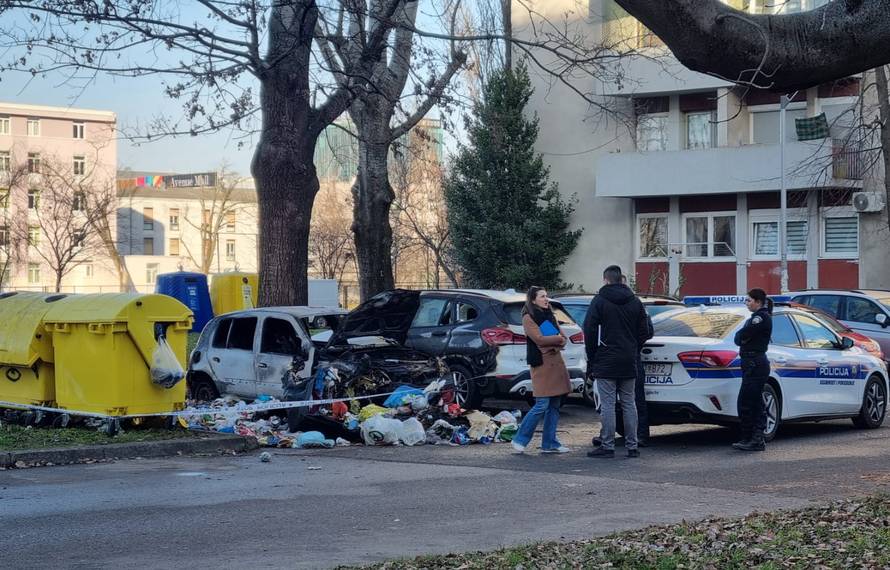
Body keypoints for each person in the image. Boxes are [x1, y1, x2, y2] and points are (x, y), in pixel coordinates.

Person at [583, 265, 652, 458]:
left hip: (606, 358)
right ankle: (632, 445)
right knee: (629, 403)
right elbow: (645, 330)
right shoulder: (635, 301)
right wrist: (633, 347)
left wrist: (593, 356)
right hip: (629, 359)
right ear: (621, 279)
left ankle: (608, 445)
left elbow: (589, 329)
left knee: (608, 404)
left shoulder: (599, 300)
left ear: (605, 280)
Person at [512, 286, 572, 454]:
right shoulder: (529, 317)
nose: (546, 299)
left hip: (556, 363)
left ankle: (550, 442)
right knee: (542, 404)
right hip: (542, 364)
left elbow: (563, 339)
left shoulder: (548, 316)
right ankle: (520, 439)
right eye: (542, 296)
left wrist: (555, 340)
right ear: (533, 299)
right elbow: (539, 339)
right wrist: (556, 340)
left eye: (547, 296)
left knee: (554, 404)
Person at [732, 288, 773, 452]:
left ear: (757, 302)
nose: (747, 303)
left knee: (750, 402)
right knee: (750, 401)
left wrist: (741, 337)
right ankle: (750, 437)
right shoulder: (757, 317)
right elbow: (739, 338)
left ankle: (755, 439)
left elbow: (741, 335)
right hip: (751, 362)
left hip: (755, 362)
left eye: (749, 300)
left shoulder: (760, 318)